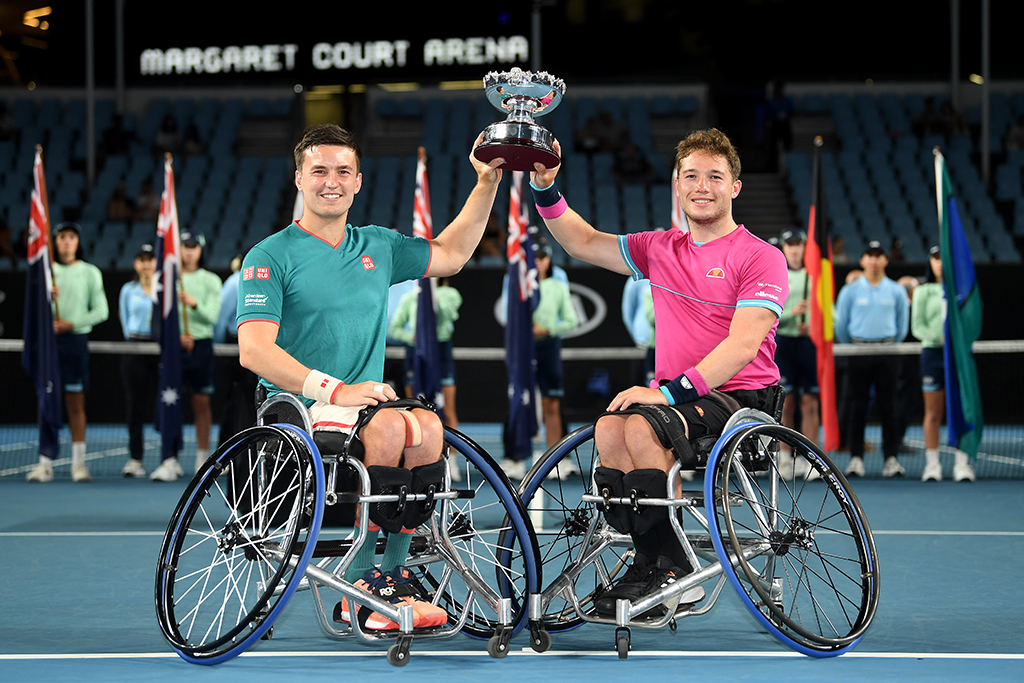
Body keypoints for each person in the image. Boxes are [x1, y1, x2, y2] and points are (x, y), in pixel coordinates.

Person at [236, 123, 502, 630]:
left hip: (363, 406)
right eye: (319, 171)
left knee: (426, 427)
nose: (330, 181)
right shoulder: (269, 255)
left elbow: (452, 254)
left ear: (358, 181)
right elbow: (254, 351)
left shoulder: (377, 244)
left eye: (342, 171)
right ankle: (358, 585)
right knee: (387, 427)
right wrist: (335, 389)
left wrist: (486, 183)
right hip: (298, 406)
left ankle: (392, 575)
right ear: (299, 179)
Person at [530, 128, 788, 617]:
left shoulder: (761, 256)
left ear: (735, 186)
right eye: (690, 175)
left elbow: (743, 345)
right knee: (609, 428)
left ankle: (676, 569)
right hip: (678, 399)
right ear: (677, 185)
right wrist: (546, 187)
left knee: (646, 426)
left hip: (741, 400)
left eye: (715, 176)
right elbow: (582, 242)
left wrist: (671, 393)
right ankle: (652, 560)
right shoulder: (659, 248)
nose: (702, 186)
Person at [27, 222, 109, 483]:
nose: (66, 241)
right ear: (54, 241)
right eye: (61, 237)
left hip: (75, 343)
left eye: (71, 237)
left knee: (75, 403)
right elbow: (31, 311)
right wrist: (44, 298)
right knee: (46, 401)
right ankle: (45, 463)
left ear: (77, 242)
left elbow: (101, 311)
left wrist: (72, 323)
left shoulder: (90, 272)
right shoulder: (44, 272)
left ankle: (78, 464)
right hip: (48, 345)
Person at [834, 240, 909, 478]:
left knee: (890, 407)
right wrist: (855, 346)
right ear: (862, 260)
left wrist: (887, 343)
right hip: (858, 352)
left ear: (886, 260)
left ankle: (891, 458)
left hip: (887, 352)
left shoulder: (896, 290)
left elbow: (902, 326)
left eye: (879, 256)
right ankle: (856, 458)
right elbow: (841, 324)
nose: (875, 260)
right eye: (870, 255)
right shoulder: (850, 291)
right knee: (857, 406)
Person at [150, 231, 222, 480]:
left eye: (194, 247)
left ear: (201, 250)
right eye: (184, 246)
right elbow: (157, 319)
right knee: (172, 403)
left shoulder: (211, 280)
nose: (189, 251)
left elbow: (212, 317)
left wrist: (192, 303)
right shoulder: (168, 279)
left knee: (202, 403)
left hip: (201, 346)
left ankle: (203, 458)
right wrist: (174, 339)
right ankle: (170, 459)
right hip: (174, 349)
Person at [912, 246, 976, 482]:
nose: (940, 263)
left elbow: (972, 321)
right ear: (930, 262)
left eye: (943, 258)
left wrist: (956, 342)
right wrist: (939, 338)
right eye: (935, 259)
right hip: (932, 355)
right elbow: (917, 325)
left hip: (959, 355)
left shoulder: (963, 290)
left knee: (961, 409)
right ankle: (932, 465)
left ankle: (962, 466)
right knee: (933, 412)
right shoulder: (923, 292)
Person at [387, 277, 463, 429]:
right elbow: (394, 328)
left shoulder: (450, 293)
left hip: (440, 351)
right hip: (416, 352)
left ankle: (452, 453)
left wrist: (433, 299)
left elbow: (449, 316)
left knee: (447, 410)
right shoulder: (410, 297)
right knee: (414, 410)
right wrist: (411, 337)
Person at [774, 229, 821, 480]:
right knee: (787, 402)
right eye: (789, 244)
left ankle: (810, 460)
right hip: (783, 345)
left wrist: (813, 325)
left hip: (808, 346)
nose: (794, 249)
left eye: (798, 244)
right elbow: (766, 314)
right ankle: (785, 459)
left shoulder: (814, 277)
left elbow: (829, 315)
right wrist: (791, 314)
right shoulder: (775, 275)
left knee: (810, 403)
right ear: (783, 247)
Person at [118, 244, 159, 478]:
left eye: (150, 259)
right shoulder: (127, 290)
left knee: (162, 404)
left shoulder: (164, 288)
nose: (146, 264)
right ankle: (136, 459)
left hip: (158, 348)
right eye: (141, 259)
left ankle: (167, 458)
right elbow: (124, 319)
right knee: (135, 405)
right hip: (134, 347)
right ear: (136, 263)